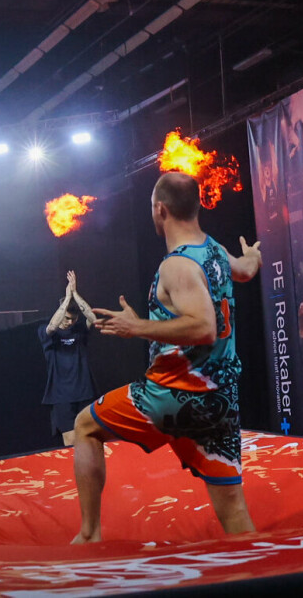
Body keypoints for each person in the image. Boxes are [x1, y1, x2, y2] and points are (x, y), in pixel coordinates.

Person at [71, 172, 262, 543]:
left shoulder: (176, 266)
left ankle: (90, 533)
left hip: (172, 395)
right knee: (235, 512)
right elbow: (245, 270)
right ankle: (269, 578)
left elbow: (204, 326)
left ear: (160, 210)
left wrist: (136, 326)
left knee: (84, 425)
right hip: (220, 402)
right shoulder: (216, 251)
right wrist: (252, 256)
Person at [39, 270, 98, 446]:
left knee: (89, 438)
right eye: (66, 318)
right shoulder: (47, 332)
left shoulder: (79, 331)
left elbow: (93, 318)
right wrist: (66, 299)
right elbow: (52, 325)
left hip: (84, 392)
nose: (69, 322)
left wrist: (74, 294)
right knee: (71, 442)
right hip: (60, 395)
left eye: (72, 319)